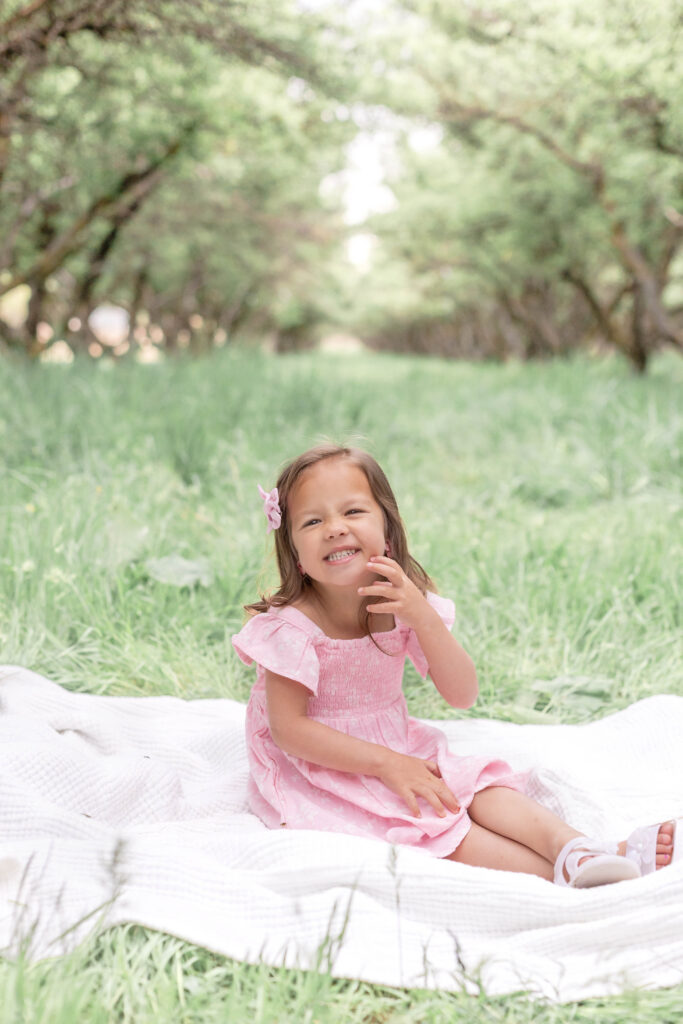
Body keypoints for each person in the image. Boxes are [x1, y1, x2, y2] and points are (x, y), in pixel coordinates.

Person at [232, 443, 679, 887]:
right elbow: (289, 731)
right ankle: (563, 875)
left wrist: (422, 617)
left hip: (396, 742)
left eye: (352, 512)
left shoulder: (401, 600)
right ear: (295, 554)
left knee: (478, 787)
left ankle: (580, 849)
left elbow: (462, 693)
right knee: (430, 819)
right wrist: (388, 765)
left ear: (387, 529)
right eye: (313, 521)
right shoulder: (292, 628)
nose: (334, 529)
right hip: (322, 763)